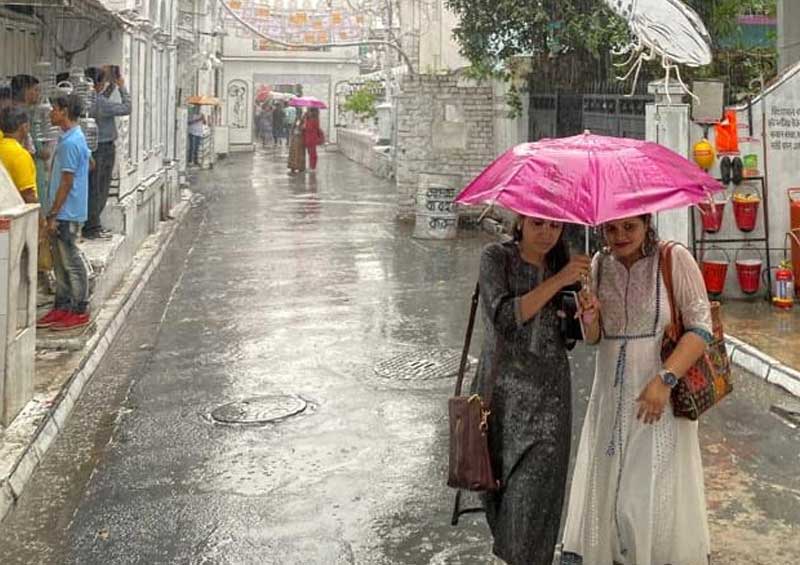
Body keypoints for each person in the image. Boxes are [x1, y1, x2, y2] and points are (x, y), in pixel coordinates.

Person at [561, 214, 713, 565]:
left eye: (630, 226)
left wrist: (664, 380)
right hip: (609, 397)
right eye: (611, 229)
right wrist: (589, 315)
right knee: (611, 491)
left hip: (657, 395)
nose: (620, 236)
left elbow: (701, 328)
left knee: (646, 491)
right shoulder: (599, 264)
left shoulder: (673, 259)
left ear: (647, 222)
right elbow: (596, 339)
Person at [470, 216, 592, 565]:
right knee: (502, 506)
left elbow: (571, 339)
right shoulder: (495, 258)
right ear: (520, 221)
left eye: (555, 226)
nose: (546, 233)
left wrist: (585, 315)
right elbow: (505, 317)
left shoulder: (563, 264)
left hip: (549, 405)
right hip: (500, 403)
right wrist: (559, 281)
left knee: (532, 507)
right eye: (538, 223)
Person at [36, 94, 91, 332]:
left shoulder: (70, 142)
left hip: (66, 213)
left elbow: (66, 182)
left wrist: (54, 213)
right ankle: (63, 305)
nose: (51, 113)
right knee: (60, 263)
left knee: (71, 261)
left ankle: (79, 308)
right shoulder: (73, 138)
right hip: (67, 210)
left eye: (54, 110)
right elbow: (89, 164)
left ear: (65, 111)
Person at [83, 66, 131, 239]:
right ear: (98, 84)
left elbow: (102, 99)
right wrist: (121, 86)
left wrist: (111, 85)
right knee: (100, 188)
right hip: (103, 149)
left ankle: (90, 224)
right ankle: (93, 227)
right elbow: (126, 108)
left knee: (92, 187)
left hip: (92, 147)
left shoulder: (87, 100)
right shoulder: (100, 103)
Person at [0, 107, 39, 204]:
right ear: (24, 127)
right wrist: (42, 219)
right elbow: (28, 195)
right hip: (16, 214)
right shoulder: (20, 155)